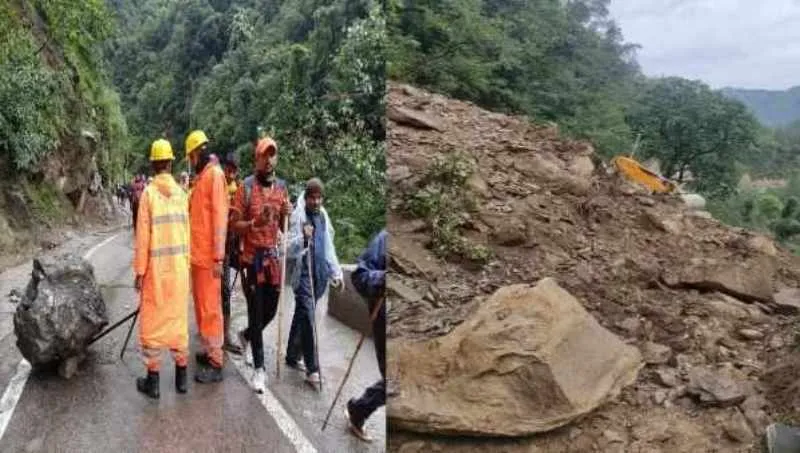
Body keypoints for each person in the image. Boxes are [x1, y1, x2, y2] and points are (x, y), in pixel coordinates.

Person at [229, 137, 292, 394]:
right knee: (256, 311)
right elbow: (234, 225)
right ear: (256, 159)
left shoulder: (282, 188)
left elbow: (283, 221)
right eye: (264, 155)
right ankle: (259, 369)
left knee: (269, 311)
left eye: (272, 155)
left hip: (273, 259)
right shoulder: (245, 187)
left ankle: (246, 336)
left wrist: (287, 212)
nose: (269, 160)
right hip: (250, 259)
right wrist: (255, 223)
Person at [132, 139, 191, 399]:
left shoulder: (148, 194)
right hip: (178, 270)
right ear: (169, 163)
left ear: (154, 163)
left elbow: (143, 237)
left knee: (153, 323)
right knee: (178, 322)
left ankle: (153, 381)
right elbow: (187, 235)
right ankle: (181, 378)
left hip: (156, 272)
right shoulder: (181, 194)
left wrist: (139, 271)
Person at [285, 178, 344, 387]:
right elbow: (288, 248)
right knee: (308, 319)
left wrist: (336, 272)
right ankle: (313, 368)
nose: (316, 202)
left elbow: (328, 245)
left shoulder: (323, 215)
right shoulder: (298, 215)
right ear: (307, 196)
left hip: (318, 274)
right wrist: (302, 236)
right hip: (303, 275)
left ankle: (292, 355)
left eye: (319, 198)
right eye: (313, 198)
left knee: (302, 315)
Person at [185, 129, 229, 383]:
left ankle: (216, 360)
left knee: (211, 309)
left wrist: (218, 258)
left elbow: (220, 220)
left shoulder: (215, 176)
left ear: (198, 152)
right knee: (202, 307)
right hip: (198, 257)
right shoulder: (202, 178)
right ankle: (208, 348)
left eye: (191, 157)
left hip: (209, 258)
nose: (190, 162)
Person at [345, 229, 386, 442]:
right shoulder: (385, 239)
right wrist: (384, 279)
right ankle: (359, 410)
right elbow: (360, 276)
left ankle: (359, 409)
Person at [221, 152, 243, 354]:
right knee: (224, 292)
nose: (231, 174)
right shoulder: (217, 186)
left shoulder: (238, 189)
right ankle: (223, 336)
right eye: (229, 170)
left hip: (234, 245)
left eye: (234, 171)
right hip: (221, 249)